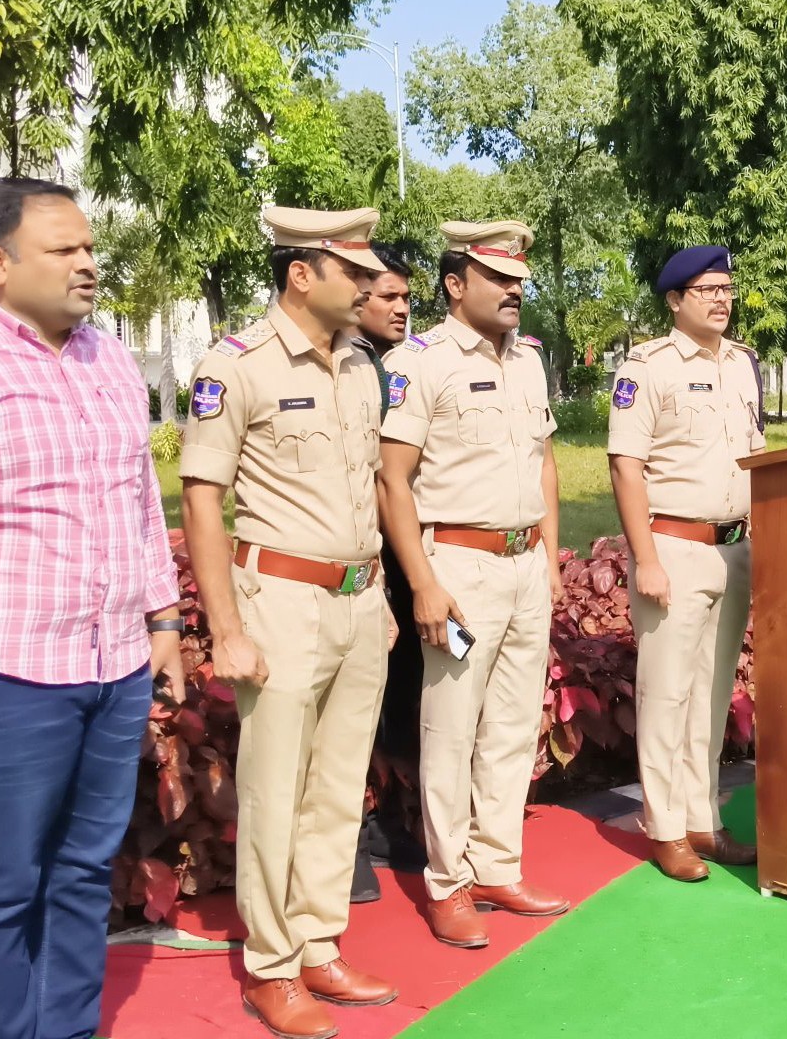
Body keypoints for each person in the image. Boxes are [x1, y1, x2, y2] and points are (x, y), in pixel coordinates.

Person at [0, 178, 183, 1039]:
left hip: (111, 667)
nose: (88, 264)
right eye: (64, 250)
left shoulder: (107, 357)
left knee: (81, 872)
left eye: (89, 247)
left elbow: (141, 498)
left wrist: (163, 620)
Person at [182, 206, 396, 1039]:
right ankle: (272, 967)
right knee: (275, 792)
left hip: (355, 600)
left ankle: (318, 943)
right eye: (354, 272)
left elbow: (367, 490)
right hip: (279, 604)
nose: (372, 285)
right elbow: (204, 499)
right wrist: (226, 626)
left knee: (339, 787)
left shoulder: (360, 365)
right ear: (301, 274)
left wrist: (374, 597)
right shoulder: (235, 367)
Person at [377, 219, 570, 950]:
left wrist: (550, 554)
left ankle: (497, 865)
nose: (516, 288)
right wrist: (423, 583)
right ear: (456, 285)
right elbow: (392, 479)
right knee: (451, 730)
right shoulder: (417, 361)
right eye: (499, 277)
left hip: (524, 565)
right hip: (458, 563)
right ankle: (448, 882)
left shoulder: (528, 361)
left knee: (514, 725)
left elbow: (547, 462)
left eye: (519, 277)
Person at [607, 246, 765, 882]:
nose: (722, 300)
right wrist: (644, 558)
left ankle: (704, 818)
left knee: (712, 693)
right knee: (667, 694)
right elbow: (625, 466)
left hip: (734, 548)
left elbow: (755, 456)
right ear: (675, 301)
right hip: (673, 548)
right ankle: (665, 826)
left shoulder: (745, 364)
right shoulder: (645, 368)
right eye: (707, 290)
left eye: (727, 289)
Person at [350, 243, 419, 903]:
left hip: (413, 555)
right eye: (387, 296)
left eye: (405, 297)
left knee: (411, 696)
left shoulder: (403, 364)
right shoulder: (355, 367)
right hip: (364, 559)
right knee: (358, 707)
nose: (401, 307)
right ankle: (354, 834)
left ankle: (399, 823)